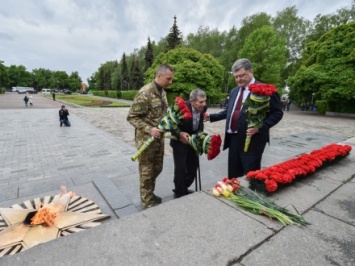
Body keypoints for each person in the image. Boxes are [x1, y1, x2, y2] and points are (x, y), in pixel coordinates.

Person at [204, 58, 283, 179]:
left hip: (253, 140)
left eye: (242, 76)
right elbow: (230, 111)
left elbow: (277, 113)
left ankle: (251, 195)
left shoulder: (265, 90)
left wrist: (260, 127)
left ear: (251, 71)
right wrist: (211, 116)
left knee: (251, 176)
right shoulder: (234, 91)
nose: (238, 79)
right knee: (233, 175)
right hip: (234, 138)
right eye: (236, 77)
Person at [127, 64, 174, 208]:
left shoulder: (162, 92)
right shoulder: (145, 93)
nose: (170, 82)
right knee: (146, 171)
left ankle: (150, 193)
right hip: (146, 140)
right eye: (168, 79)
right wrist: (149, 129)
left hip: (158, 139)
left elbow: (163, 112)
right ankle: (147, 201)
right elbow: (131, 117)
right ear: (159, 76)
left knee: (157, 168)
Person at [170, 88, 207, 198]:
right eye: (201, 102)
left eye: (205, 101)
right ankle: (179, 191)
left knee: (192, 167)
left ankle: (184, 186)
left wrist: (200, 136)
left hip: (193, 139)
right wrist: (179, 133)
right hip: (179, 140)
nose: (204, 104)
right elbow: (170, 123)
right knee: (180, 167)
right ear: (192, 101)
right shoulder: (180, 108)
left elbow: (200, 123)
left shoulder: (203, 107)